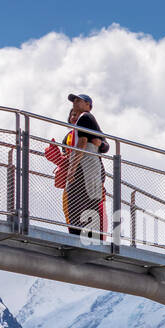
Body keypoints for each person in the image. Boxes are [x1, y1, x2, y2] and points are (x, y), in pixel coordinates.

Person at [60, 93, 108, 240]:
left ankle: (84, 237)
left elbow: (84, 143)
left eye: (79, 100)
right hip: (87, 169)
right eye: (74, 100)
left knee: (80, 201)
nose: (75, 102)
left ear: (88, 105)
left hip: (85, 169)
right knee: (77, 202)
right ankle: (81, 236)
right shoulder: (73, 131)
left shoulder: (85, 117)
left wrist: (72, 169)